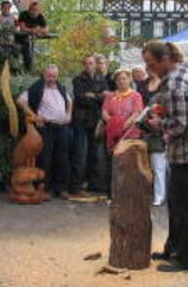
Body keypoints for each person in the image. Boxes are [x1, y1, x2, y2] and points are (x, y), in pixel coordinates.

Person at [143, 41, 188, 273]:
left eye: (151, 64)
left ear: (164, 59)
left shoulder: (176, 84)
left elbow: (184, 126)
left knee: (184, 207)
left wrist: (157, 123)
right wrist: (161, 106)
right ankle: (173, 248)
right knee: (175, 202)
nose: (149, 69)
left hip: (187, 152)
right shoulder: (187, 67)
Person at [17, 64, 72, 200]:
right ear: (44, 74)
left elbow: (70, 101)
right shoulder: (36, 87)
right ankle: (44, 189)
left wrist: (68, 115)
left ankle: (60, 189)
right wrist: (33, 115)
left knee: (62, 159)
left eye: (54, 76)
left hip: (62, 127)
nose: (52, 78)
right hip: (46, 127)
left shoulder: (60, 87)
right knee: (45, 159)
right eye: (49, 75)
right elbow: (21, 101)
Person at [71, 55, 108, 194]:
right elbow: (80, 99)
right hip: (81, 120)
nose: (89, 65)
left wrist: (94, 96)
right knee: (80, 153)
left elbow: (106, 98)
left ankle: (94, 184)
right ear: (83, 65)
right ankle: (76, 186)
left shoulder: (101, 79)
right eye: (86, 63)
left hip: (96, 121)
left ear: (95, 64)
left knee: (95, 154)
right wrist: (98, 97)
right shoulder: (77, 79)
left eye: (91, 63)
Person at [138, 68, 167, 206]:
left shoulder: (171, 97)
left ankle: (161, 195)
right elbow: (145, 115)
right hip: (153, 135)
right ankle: (157, 195)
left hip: (167, 136)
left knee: (161, 168)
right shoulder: (153, 99)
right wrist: (149, 119)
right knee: (155, 167)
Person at [102, 69, 143, 154]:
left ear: (129, 79)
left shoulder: (136, 96)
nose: (121, 81)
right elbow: (104, 111)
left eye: (124, 78)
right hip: (113, 134)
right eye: (118, 79)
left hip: (129, 133)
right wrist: (112, 123)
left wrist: (123, 126)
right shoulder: (110, 96)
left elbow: (137, 112)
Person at [17, 2, 48, 71]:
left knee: (37, 52)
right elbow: (22, 28)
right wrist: (34, 30)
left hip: (34, 39)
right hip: (21, 38)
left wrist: (37, 30)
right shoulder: (23, 14)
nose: (34, 12)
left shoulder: (40, 16)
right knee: (26, 51)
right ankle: (27, 69)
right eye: (33, 10)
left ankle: (32, 69)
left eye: (36, 10)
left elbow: (46, 29)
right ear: (29, 10)